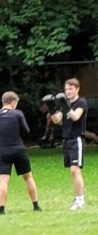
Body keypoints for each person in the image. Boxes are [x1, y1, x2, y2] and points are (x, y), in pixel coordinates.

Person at [0, 91, 40, 215]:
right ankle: (36, 205)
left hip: (3, 150)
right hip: (18, 149)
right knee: (28, 177)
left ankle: (1, 209)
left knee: (4, 180)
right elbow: (26, 130)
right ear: (13, 102)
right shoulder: (17, 114)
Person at [50, 77, 88, 210]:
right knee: (73, 171)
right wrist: (51, 109)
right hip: (66, 139)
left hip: (76, 138)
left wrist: (66, 105)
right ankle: (78, 197)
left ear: (77, 89)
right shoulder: (63, 104)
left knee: (75, 170)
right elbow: (56, 120)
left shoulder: (81, 102)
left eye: (71, 89)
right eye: (66, 89)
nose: (68, 91)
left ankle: (80, 200)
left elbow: (76, 116)